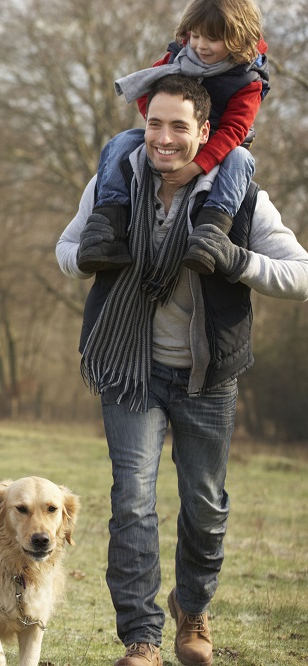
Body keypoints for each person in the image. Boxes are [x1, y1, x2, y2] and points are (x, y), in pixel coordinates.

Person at [56, 74, 308, 666]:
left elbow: (300, 276)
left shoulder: (240, 196)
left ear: (204, 131)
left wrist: (236, 260)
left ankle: (192, 611)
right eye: (154, 125)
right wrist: (89, 256)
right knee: (132, 502)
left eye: (178, 127)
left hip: (207, 378)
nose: (162, 139)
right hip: (130, 372)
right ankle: (140, 639)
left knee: (204, 503)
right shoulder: (115, 181)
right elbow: (66, 251)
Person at [78, 0, 269, 277]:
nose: (201, 45)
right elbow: (147, 92)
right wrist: (163, 130)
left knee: (242, 159)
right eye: (195, 35)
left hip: (219, 146)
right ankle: (109, 225)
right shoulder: (178, 58)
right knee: (121, 142)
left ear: (238, 39)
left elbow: (234, 131)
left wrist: (197, 164)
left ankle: (211, 229)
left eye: (212, 39)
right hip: (178, 140)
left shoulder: (248, 80)